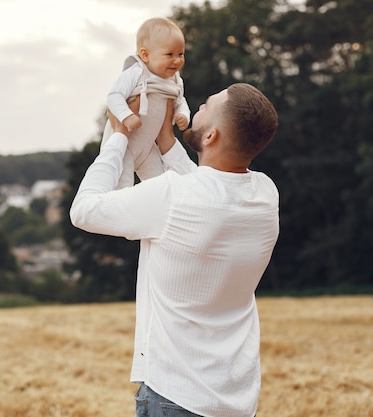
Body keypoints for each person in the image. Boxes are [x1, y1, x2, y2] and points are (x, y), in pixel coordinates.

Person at [70, 83, 279, 417]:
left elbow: (83, 210)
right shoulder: (265, 194)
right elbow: (207, 188)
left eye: (206, 108)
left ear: (211, 136)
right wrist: (166, 142)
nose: (196, 107)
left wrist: (118, 137)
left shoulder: (174, 196)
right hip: (236, 400)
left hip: (174, 397)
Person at [102, 17, 191, 189]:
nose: (177, 60)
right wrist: (127, 116)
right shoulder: (137, 72)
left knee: (160, 186)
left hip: (148, 147)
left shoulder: (175, 80)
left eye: (181, 54)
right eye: (169, 54)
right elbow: (114, 96)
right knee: (122, 187)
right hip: (125, 144)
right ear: (145, 55)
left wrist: (183, 115)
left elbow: (181, 101)